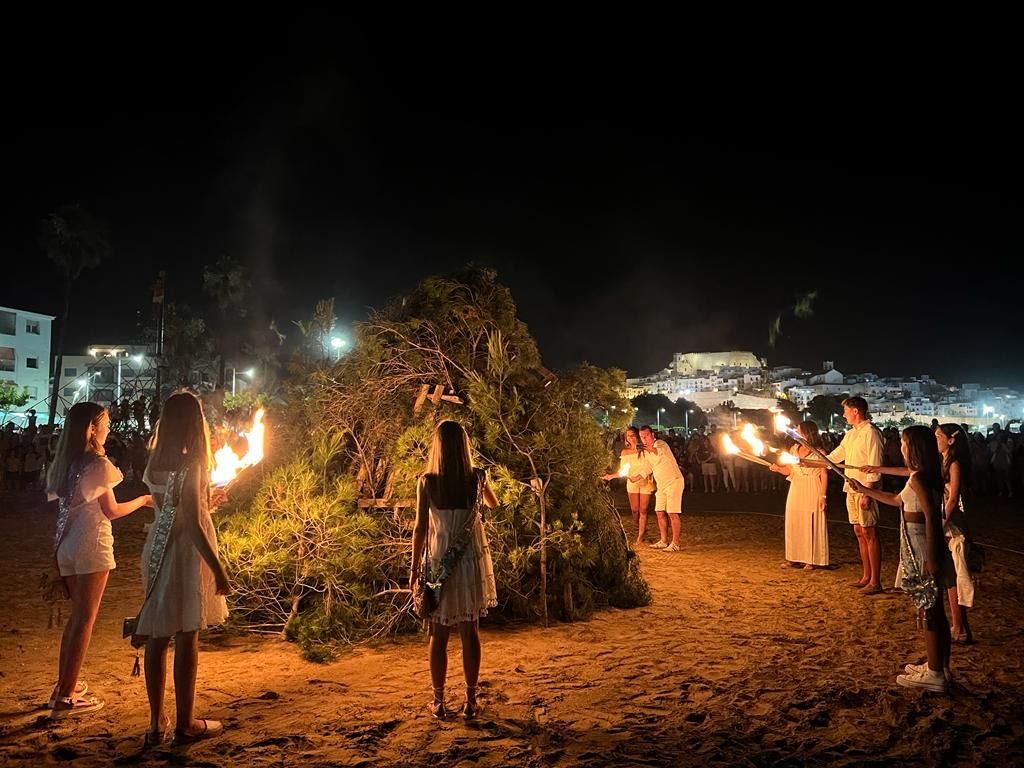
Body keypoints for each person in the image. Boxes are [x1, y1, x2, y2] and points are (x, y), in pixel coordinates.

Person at [45, 402, 153, 718]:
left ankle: (65, 685)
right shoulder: (97, 463)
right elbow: (111, 510)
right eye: (105, 424)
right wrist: (144, 499)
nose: (109, 429)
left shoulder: (68, 461)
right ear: (92, 429)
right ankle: (66, 696)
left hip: (66, 546)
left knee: (76, 619)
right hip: (91, 546)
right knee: (85, 620)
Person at [136, 392, 230, 747]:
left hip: (158, 548)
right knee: (187, 632)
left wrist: (206, 501)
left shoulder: (155, 461)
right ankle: (186, 723)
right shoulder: (194, 465)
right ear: (194, 422)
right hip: (187, 553)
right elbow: (190, 520)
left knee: (158, 635)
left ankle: (155, 724)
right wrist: (217, 567)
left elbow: (170, 509)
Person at [850, 426, 952, 692]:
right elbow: (898, 500)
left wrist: (931, 557)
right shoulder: (921, 476)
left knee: (930, 610)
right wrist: (865, 489)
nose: (901, 448)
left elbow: (930, 516)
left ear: (914, 448)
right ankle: (938, 665)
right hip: (917, 543)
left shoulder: (919, 478)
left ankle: (935, 673)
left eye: (904, 444)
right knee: (932, 609)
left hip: (921, 545)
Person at [410, 420, 498, 720]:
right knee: (469, 630)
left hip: (439, 561)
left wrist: (413, 568)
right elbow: (494, 503)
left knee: (438, 632)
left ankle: (438, 702)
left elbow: (420, 528)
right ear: (464, 446)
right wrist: (480, 483)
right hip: (469, 560)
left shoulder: (427, 482)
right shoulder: (476, 478)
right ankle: (471, 702)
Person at [826, 397, 885, 594]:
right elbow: (837, 455)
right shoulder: (851, 434)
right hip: (850, 487)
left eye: (845, 411)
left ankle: (875, 581)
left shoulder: (871, 433)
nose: (843, 415)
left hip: (865, 489)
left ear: (856, 411)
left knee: (869, 533)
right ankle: (866, 576)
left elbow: (875, 464)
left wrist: (868, 491)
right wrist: (811, 460)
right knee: (859, 532)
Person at [935, 423, 976, 644]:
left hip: (953, 525)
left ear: (951, 440)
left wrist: (940, 523)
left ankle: (960, 626)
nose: (935, 438)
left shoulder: (954, 464)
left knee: (955, 577)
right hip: (948, 522)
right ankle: (959, 626)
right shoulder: (942, 462)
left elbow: (952, 500)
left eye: (939, 435)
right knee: (950, 578)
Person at [770, 421, 829, 569]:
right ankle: (793, 557)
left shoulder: (820, 452)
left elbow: (824, 474)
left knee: (809, 522)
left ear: (807, 433)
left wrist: (823, 496)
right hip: (796, 487)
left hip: (812, 487)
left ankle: (810, 559)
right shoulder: (793, 449)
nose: (795, 433)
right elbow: (789, 471)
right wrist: (777, 469)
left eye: (798, 430)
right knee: (794, 521)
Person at [601, 427, 655, 546]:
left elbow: (650, 465)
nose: (631, 438)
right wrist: (611, 476)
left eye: (633, 435)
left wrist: (640, 476)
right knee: (635, 510)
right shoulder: (625, 452)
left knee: (643, 510)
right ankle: (639, 529)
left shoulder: (645, 450)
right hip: (632, 482)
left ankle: (641, 536)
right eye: (628, 436)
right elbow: (623, 470)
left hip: (645, 481)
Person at [639, 425, 685, 551]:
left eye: (646, 436)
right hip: (661, 485)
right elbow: (647, 468)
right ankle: (664, 541)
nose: (644, 439)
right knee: (659, 512)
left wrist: (650, 449)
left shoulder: (661, 443)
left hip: (674, 481)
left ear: (652, 435)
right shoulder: (646, 452)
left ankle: (675, 543)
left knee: (672, 513)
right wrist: (635, 477)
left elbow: (658, 451)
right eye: (642, 437)